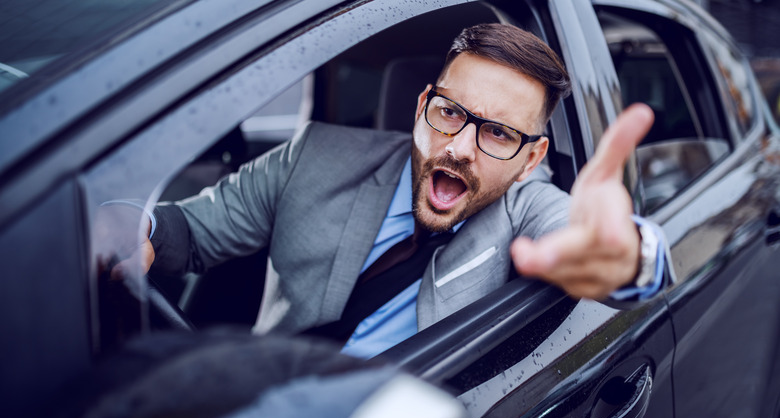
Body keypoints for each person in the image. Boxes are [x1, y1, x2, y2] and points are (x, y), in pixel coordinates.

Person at [111, 23, 666, 359]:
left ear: (531, 159)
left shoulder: (529, 209)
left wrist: (629, 255)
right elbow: (189, 229)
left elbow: (596, 244)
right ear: (422, 106)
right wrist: (135, 228)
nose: (462, 148)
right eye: (451, 113)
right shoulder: (315, 156)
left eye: (499, 133)